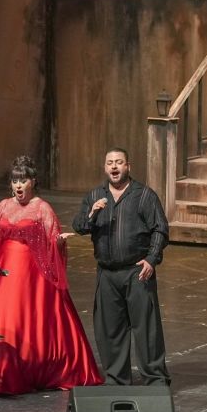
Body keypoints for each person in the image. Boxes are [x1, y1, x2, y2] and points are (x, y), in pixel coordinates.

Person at [0, 156, 102, 394]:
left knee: (27, 318)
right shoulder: (4, 206)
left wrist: (59, 242)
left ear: (33, 182)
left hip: (30, 274)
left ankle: (29, 369)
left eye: (23, 180)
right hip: (4, 273)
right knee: (1, 318)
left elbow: (51, 241)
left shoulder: (42, 208)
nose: (18, 185)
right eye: (15, 181)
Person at [73, 148, 171, 386]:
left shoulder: (144, 195)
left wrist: (151, 259)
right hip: (107, 273)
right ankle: (117, 379)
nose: (114, 167)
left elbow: (160, 229)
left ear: (128, 166)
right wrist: (92, 213)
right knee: (110, 329)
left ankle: (155, 379)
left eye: (119, 162)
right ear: (105, 167)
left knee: (146, 328)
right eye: (110, 163)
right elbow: (79, 226)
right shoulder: (95, 195)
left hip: (137, 271)